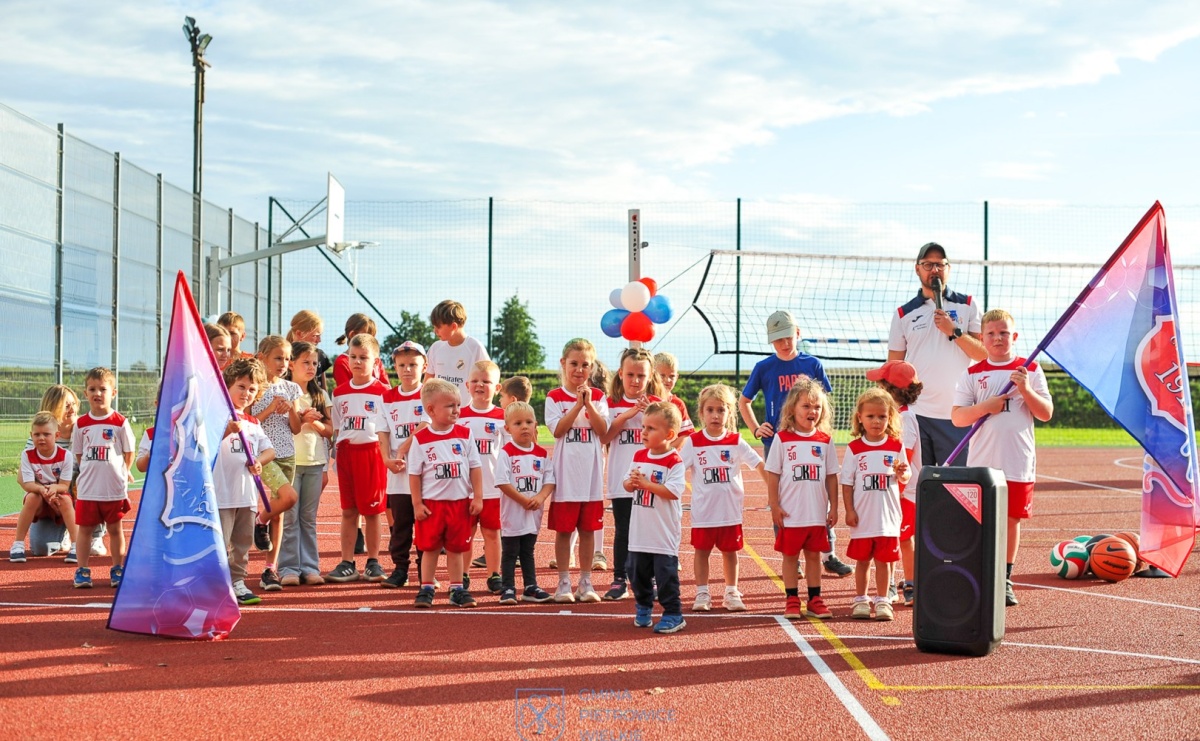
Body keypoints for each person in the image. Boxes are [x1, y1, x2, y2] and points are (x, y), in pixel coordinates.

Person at [951, 309, 1053, 608]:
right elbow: (958, 418)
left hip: (1017, 460)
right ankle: (979, 575)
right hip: (982, 463)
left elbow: (1045, 413)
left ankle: (1004, 579)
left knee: (1010, 520)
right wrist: (987, 406)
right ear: (981, 338)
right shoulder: (972, 373)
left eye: (1004, 333)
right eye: (991, 333)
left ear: (1015, 336)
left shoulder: (1029, 369)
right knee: (978, 522)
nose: (998, 338)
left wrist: (1025, 389)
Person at [738, 310, 849, 579]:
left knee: (819, 494)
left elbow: (824, 403)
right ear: (770, 342)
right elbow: (744, 402)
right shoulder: (764, 368)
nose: (784, 344)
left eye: (787, 337)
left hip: (811, 442)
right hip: (779, 443)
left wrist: (822, 431)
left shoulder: (812, 364)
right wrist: (755, 428)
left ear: (797, 333)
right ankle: (792, 557)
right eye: (778, 340)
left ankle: (829, 554)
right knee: (782, 498)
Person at [887, 242, 986, 467]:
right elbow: (893, 367)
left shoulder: (968, 304)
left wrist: (954, 331)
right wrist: (894, 413)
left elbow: (983, 354)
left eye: (940, 265)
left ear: (948, 268)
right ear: (917, 268)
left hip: (957, 415)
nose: (934, 270)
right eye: (928, 264)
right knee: (918, 489)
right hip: (915, 415)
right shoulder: (904, 313)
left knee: (955, 487)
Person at [681, 384, 762, 612]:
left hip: (729, 512)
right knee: (701, 552)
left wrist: (777, 492)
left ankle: (731, 591)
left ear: (729, 413)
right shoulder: (694, 442)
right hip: (704, 513)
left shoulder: (735, 441)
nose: (715, 415)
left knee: (730, 553)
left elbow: (758, 464)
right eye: (710, 410)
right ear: (702, 413)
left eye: (721, 410)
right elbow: (676, 469)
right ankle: (702, 592)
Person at [764, 379, 840, 620]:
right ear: (793, 410)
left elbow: (831, 477)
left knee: (814, 556)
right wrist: (774, 505)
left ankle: (815, 598)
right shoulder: (783, 439)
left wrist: (834, 506)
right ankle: (791, 598)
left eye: (817, 407)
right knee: (790, 557)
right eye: (806, 406)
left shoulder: (825, 441)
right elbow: (773, 474)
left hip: (816, 513)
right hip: (790, 513)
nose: (812, 412)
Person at [406, 379, 484, 608]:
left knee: (456, 548)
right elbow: (414, 474)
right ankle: (426, 587)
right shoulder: (420, 439)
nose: (456, 410)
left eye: (458, 405)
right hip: (432, 505)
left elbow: (475, 467)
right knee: (429, 548)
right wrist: (417, 503)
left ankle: (457, 588)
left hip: (459, 503)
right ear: (431, 409)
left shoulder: (464, 433)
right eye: (450, 406)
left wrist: (477, 496)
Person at [544, 338, 609, 603]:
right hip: (565, 477)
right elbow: (558, 430)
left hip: (591, 477)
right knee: (564, 531)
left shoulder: (601, 397)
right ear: (563, 364)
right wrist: (577, 405)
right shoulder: (554, 397)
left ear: (591, 368)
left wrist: (590, 404)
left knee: (588, 531)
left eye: (585, 365)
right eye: (574, 364)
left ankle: (585, 582)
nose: (579, 370)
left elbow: (603, 432)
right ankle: (563, 582)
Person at [599, 347, 664, 601]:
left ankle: (653, 579)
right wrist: (629, 414)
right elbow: (604, 436)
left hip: (652, 480)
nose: (635, 381)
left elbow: (671, 438)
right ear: (621, 374)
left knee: (651, 530)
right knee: (623, 529)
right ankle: (619, 580)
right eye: (630, 375)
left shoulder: (658, 405)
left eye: (641, 376)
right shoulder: (611, 403)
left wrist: (651, 414)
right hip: (621, 479)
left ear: (650, 377)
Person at [840, 388, 909, 621]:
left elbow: (905, 476)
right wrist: (849, 510)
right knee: (862, 561)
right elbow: (847, 483)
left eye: (882, 416)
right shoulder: (854, 449)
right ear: (860, 417)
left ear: (890, 417)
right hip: (863, 517)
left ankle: (882, 601)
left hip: (888, 517)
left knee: (883, 562)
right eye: (870, 416)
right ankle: (860, 599)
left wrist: (903, 472)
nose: (876, 421)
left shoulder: (896, 446)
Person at [327, 333, 391, 583]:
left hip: (372, 453)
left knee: (374, 511)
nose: (357, 361)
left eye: (363, 357)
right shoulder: (339, 392)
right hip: (347, 455)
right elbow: (337, 427)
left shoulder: (384, 392)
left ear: (376, 361)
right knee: (348, 510)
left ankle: (374, 561)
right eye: (352, 357)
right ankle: (347, 562)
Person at [214, 358, 273, 605]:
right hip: (221, 492)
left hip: (247, 495)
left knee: (242, 541)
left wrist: (259, 461)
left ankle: (237, 581)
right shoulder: (216, 415)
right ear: (228, 385)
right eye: (241, 386)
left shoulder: (253, 423)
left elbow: (269, 450)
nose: (246, 393)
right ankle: (216, 584)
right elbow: (203, 444)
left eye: (252, 389)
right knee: (220, 541)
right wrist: (226, 430)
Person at [69, 367, 135, 589]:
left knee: (115, 529)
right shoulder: (81, 424)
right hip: (88, 489)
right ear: (85, 393)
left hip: (113, 488)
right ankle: (82, 570)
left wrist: (124, 470)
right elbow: (79, 453)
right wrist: (88, 469)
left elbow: (129, 451)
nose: (97, 393)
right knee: (85, 530)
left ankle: (117, 568)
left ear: (113, 392)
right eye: (92, 389)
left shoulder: (120, 422)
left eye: (103, 389)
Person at [625, 401, 687, 634]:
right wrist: (631, 483)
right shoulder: (639, 455)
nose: (644, 432)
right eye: (644, 427)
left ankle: (673, 613)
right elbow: (627, 483)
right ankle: (643, 605)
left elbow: (673, 491)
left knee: (665, 575)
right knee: (636, 571)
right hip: (640, 532)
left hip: (662, 534)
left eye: (651, 428)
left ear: (669, 434)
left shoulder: (674, 461)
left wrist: (648, 485)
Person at [868, 360, 923, 607]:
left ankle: (910, 583)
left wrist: (896, 491)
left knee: (903, 537)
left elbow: (906, 460)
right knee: (887, 536)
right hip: (889, 489)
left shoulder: (905, 419)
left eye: (881, 384)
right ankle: (889, 583)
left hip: (904, 492)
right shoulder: (892, 418)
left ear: (892, 390)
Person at [278, 340, 333, 587]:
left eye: (314, 363)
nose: (311, 367)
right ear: (291, 364)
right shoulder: (282, 392)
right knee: (290, 517)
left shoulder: (320, 395)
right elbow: (282, 427)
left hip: (314, 462)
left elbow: (330, 430)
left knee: (308, 518)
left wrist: (316, 423)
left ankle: (310, 567)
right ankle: (288, 567)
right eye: (305, 362)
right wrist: (301, 417)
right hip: (289, 463)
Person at [250, 335, 302, 591]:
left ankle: (270, 570)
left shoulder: (291, 388)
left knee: (279, 514)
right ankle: (259, 521)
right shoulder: (254, 388)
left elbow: (295, 428)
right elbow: (250, 421)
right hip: (264, 454)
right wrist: (271, 407)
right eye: (278, 358)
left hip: (287, 455)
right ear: (262, 358)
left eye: (287, 358)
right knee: (289, 497)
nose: (283, 363)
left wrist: (291, 409)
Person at [494, 401, 555, 605]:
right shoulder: (507, 452)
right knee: (510, 551)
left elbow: (549, 481)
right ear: (508, 428)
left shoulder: (542, 454)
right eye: (518, 423)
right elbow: (502, 481)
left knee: (528, 550)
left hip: (533, 514)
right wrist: (522, 500)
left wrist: (540, 498)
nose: (524, 426)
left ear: (536, 425)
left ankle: (530, 586)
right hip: (513, 513)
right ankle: (508, 587)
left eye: (529, 422)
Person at [380, 341, 429, 589]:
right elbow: (383, 432)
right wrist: (386, 459)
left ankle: (425, 571)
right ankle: (400, 570)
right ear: (395, 367)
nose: (407, 369)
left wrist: (401, 449)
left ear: (424, 366)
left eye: (413, 364)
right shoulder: (386, 398)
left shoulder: (429, 394)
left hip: (424, 475)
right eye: (402, 365)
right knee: (400, 527)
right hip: (397, 474)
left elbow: (423, 427)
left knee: (424, 525)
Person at [459, 360, 506, 593]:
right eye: (475, 381)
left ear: (497, 388)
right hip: (464, 490)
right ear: (467, 385)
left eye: (486, 381)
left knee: (492, 534)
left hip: (493, 490)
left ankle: (494, 575)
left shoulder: (503, 417)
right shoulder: (459, 416)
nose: (480, 385)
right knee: (466, 534)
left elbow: (509, 452)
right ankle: (463, 575)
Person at [10, 412, 76, 564]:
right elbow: (27, 484)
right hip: (39, 498)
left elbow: (64, 485)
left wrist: (53, 488)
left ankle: (76, 544)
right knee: (32, 497)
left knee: (66, 501)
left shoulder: (66, 455)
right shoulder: (27, 454)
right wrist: (41, 490)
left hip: (57, 496)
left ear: (57, 435)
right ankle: (18, 544)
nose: (41, 438)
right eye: (37, 434)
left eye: (46, 434)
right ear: (31, 435)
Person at [425, 300, 490, 406]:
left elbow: (488, 381)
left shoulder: (475, 348)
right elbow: (427, 382)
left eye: (438, 327)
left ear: (454, 327)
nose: (435, 331)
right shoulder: (435, 347)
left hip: (466, 416)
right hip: (439, 413)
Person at [333, 313, 388, 387]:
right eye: (367, 336)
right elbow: (345, 392)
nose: (370, 340)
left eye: (373, 336)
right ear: (352, 335)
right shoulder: (342, 362)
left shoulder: (375, 360)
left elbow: (387, 388)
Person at [653, 352, 695, 449]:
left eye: (671, 376)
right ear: (652, 375)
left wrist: (664, 452)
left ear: (677, 377)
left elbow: (685, 435)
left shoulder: (678, 404)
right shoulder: (643, 400)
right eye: (662, 375)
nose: (667, 380)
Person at [287, 310, 331, 392]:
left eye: (314, 363)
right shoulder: (284, 356)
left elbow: (323, 388)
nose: (319, 340)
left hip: (315, 402)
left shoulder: (319, 354)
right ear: (299, 334)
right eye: (316, 336)